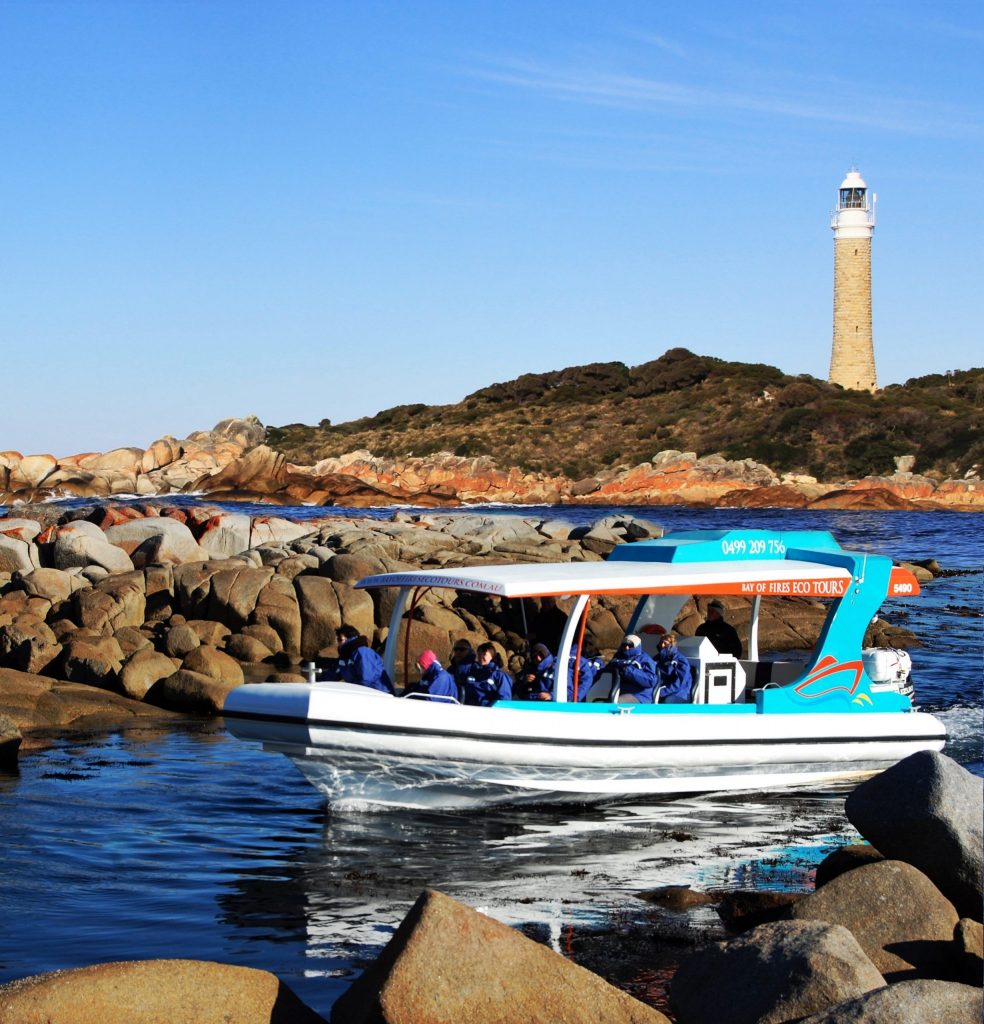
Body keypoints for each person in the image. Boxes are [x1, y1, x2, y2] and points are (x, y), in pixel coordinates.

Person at [335, 624, 394, 694]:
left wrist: (353, 693)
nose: (338, 643)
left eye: (339, 639)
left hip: (380, 695)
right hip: (361, 693)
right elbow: (333, 673)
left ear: (350, 638)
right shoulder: (344, 656)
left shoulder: (362, 652)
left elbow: (366, 679)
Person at [607, 634, 659, 703]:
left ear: (637, 646)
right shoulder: (619, 657)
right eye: (624, 645)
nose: (627, 647)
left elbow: (651, 680)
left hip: (640, 696)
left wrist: (628, 670)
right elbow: (609, 666)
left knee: (616, 703)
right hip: (621, 692)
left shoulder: (645, 659)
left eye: (630, 645)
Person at [654, 633, 694, 704]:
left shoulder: (681, 660)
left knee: (666, 702)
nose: (662, 645)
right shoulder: (657, 658)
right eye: (661, 643)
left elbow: (680, 682)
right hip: (662, 689)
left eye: (665, 643)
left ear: (671, 644)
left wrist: (662, 692)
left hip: (680, 693)